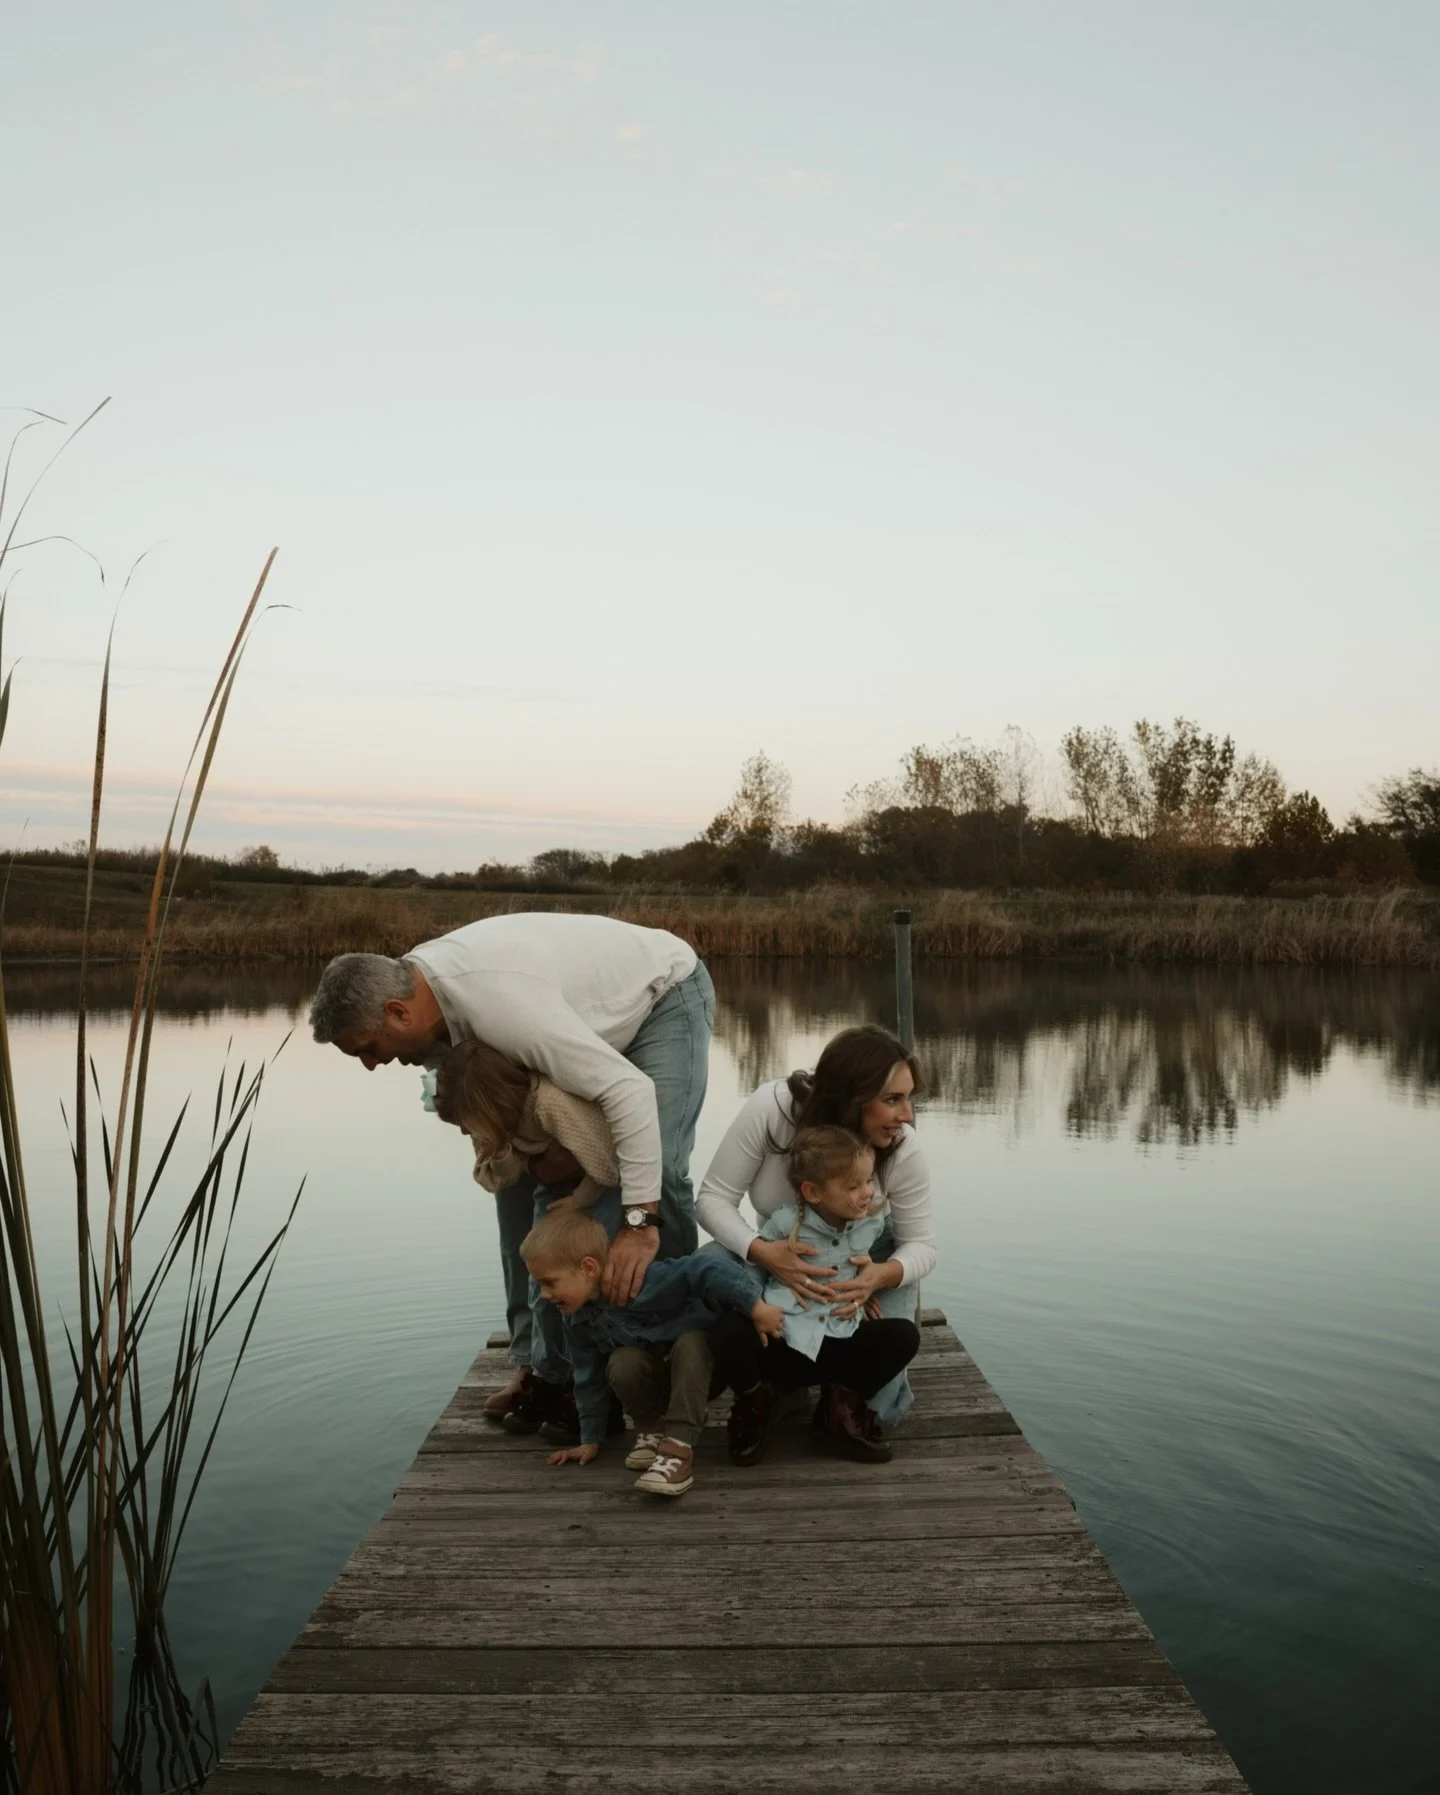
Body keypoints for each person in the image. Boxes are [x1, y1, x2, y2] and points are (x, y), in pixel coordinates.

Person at [308, 913, 715, 1429]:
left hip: (661, 999)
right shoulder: (421, 996)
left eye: (367, 1048)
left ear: (397, 1013)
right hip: (568, 1018)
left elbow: (626, 1091)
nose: (371, 1064)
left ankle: (677, 1350)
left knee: (657, 1172)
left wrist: (638, 1225)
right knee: (526, 1187)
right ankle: (543, 1366)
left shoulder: (500, 1007)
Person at [694, 1023, 934, 1430]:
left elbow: (921, 1246)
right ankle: (761, 1390)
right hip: (775, 1248)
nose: (906, 1116)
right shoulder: (772, 1110)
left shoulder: (902, 1148)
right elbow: (712, 1199)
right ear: (849, 1098)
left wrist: (880, 1276)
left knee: (882, 1414)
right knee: (708, 1267)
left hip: (863, 1258)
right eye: (893, 1099)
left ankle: (832, 1402)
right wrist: (762, 1252)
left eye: (908, 1099)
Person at [521, 1205, 783, 1499]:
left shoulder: (643, 1281)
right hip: (660, 1377)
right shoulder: (576, 1318)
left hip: (701, 1372)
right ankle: (652, 1430)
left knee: (692, 1342)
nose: (544, 1295)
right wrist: (590, 1439)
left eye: (549, 1282)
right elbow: (587, 1377)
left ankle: (678, 1449)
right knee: (622, 1361)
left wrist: (755, 1306)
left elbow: (706, 1268)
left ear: (588, 1268)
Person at [706, 1126, 921, 1465]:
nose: (866, 1193)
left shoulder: (871, 1224)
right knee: (726, 1330)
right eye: (853, 1186)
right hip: (783, 1338)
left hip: (839, 1338)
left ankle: (836, 1410)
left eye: (868, 1182)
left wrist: (869, 1287)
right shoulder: (784, 1225)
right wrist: (757, 1307)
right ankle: (756, 1399)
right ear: (813, 1192)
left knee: (903, 1336)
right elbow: (754, 1270)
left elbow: (865, 1266)